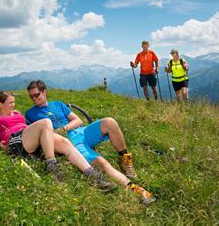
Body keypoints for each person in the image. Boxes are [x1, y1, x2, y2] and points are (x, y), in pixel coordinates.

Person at [25, 80, 156, 205]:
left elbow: (78, 120)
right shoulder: (30, 114)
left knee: (109, 122)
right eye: (31, 97)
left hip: (82, 131)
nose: (34, 99)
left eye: (36, 95)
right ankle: (137, 190)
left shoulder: (58, 104)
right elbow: (36, 136)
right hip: (70, 143)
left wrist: (64, 128)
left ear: (44, 91)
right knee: (101, 162)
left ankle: (125, 160)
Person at [0, 91, 117, 191]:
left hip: (29, 138)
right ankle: (51, 164)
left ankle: (92, 175)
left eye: (14, 102)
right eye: (10, 102)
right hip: (15, 142)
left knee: (65, 142)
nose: (13, 105)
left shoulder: (16, 113)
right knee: (46, 122)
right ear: (0, 104)